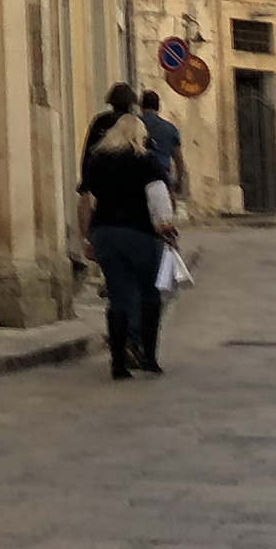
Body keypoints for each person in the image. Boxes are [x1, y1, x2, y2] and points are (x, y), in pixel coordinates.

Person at [76, 82, 178, 379]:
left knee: (119, 297)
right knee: (150, 294)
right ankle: (148, 356)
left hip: (106, 232)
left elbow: (86, 200)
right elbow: (159, 201)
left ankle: (118, 363)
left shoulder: (98, 161)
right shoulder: (145, 160)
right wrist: (169, 233)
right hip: (140, 233)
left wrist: (86, 236)